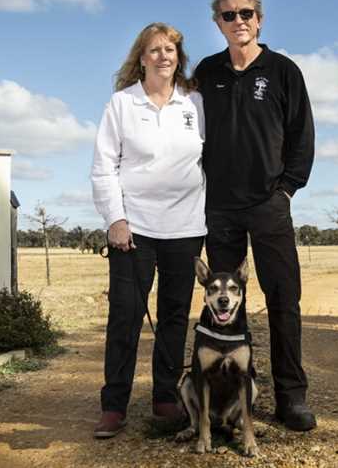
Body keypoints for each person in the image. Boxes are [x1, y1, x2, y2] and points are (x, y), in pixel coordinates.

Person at [194, 0, 316, 431]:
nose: (238, 21)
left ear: (259, 19)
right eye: (229, 16)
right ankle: (227, 396)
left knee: (284, 299)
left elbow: (303, 136)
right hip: (220, 208)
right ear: (218, 23)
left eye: (245, 14)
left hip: (269, 204)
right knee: (224, 307)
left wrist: (286, 190)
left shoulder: (284, 71)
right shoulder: (206, 74)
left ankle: (291, 396)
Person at [90, 23, 206, 438]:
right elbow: (104, 167)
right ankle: (113, 406)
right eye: (154, 50)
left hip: (186, 227)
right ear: (140, 58)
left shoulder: (195, 103)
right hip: (134, 230)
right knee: (125, 316)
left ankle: (164, 399)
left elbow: (209, 160)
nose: (163, 56)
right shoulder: (121, 104)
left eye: (170, 49)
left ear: (179, 56)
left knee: (174, 317)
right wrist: (115, 220)